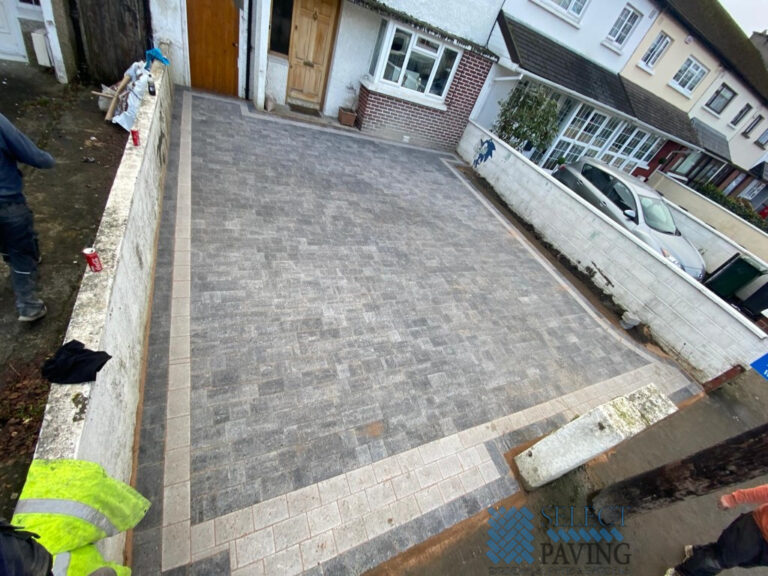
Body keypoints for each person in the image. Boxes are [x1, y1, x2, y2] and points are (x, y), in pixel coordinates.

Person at [0, 112, 55, 322]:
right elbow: (33, 155)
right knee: (22, 251)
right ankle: (29, 306)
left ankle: (10, 255)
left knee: (9, 244)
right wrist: (48, 160)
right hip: (7, 202)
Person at [665, 484, 768, 575]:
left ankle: (698, 554)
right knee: (721, 559)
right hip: (756, 529)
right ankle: (683, 572)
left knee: (738, 560)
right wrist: (734, 499)